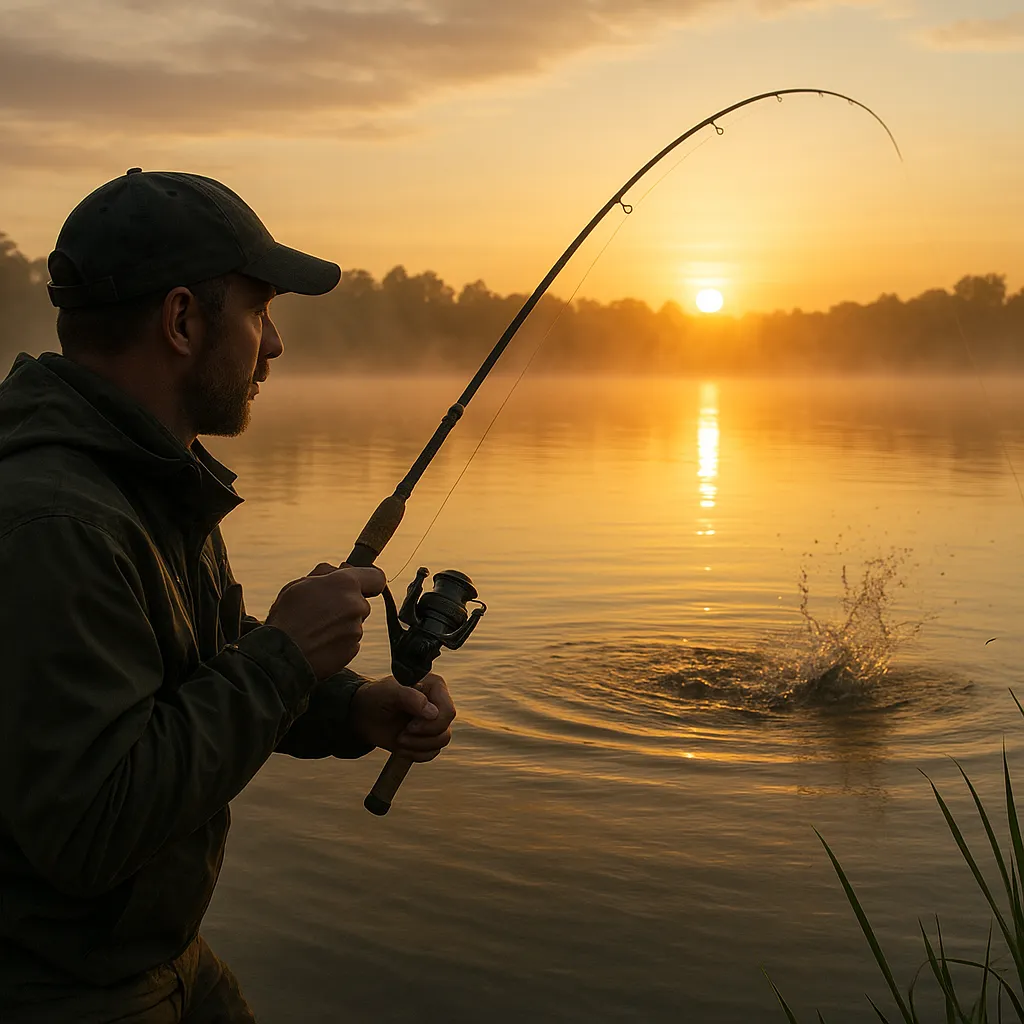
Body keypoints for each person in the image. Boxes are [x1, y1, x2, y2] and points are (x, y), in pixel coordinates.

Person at [0, 169, 457, 1023]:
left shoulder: (138, 476)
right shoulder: (57, 522)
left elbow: (188, 665)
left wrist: (353, 709)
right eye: (260, 311)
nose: (275, 344)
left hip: (159, 960)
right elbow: (92, 826)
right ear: (181, 320)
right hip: (65, 990)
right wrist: (286, 657)